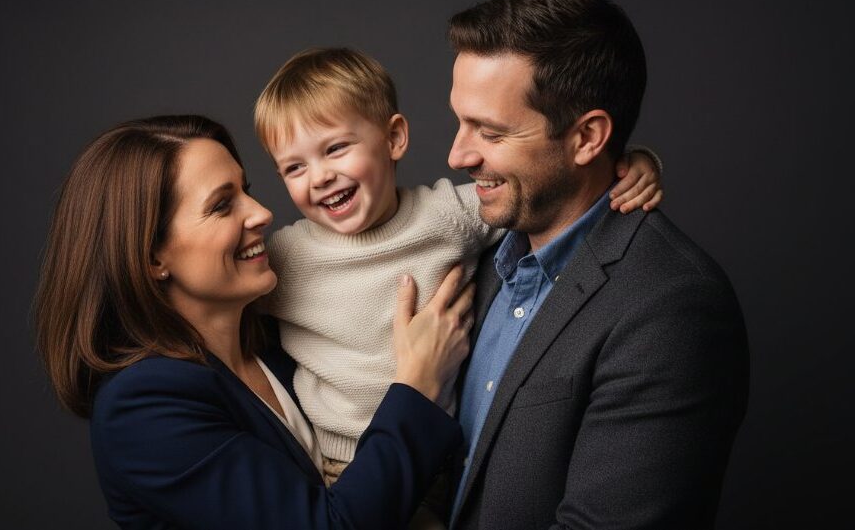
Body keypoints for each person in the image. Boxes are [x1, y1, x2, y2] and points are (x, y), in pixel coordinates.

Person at [33, 115, 475, 530]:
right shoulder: (140, 411)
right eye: (223, 205)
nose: (262, 213)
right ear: (152, 258)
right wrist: (418, 385)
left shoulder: (279, 338)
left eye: (246, 190)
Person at [253, 47, 664, 488]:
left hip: (446, 463)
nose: (318, 177)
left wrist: (636, 163)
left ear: (394, 138)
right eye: (294, 168)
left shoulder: (447, 214)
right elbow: (210, 299)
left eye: (335, 149)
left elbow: (549, 192)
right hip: (345, 470)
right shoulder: (287, 257)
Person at [444, 0, 750, 530]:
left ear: (587, 137)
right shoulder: (478, 251)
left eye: (489, 131)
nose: (458, 154)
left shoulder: (673, 307)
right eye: (460, 121)